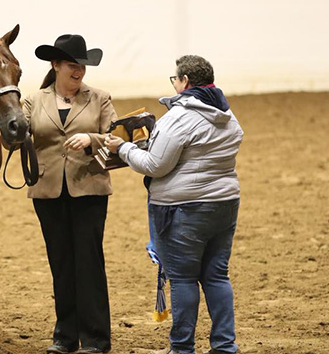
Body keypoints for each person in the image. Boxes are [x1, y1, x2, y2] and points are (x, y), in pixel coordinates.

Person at [105, 55, 243, 354]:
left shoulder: (179, 117)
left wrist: (124, 148)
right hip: (225, 204)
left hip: (183, 210)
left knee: (183, 279)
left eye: (175, 80)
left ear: (184, 83)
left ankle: (182, 348)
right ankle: (224, 346)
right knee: (217, 275)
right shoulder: (228, 115)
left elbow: (155, 165)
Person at [23, 34, 117, 354]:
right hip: (47, 190)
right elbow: (14, 138)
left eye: (81, 67)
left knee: (89, 262)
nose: (78, 72)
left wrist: (91, 138)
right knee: (61, 263)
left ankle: (95, 339)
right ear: (56, 65)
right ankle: (65, 336)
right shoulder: (33, 101)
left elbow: (115, 138)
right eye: (71, 66)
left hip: (89, 189)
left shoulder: (99, 98)